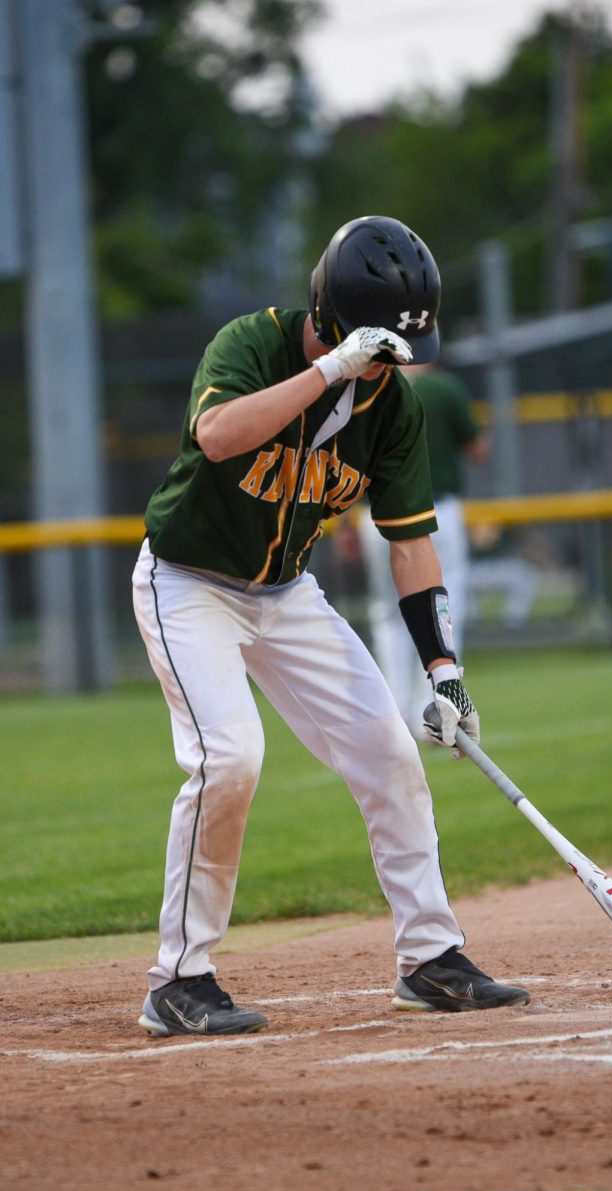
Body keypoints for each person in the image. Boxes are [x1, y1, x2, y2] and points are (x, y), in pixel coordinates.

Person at [132, 215, 530, 1037]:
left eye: (396, 348)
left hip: (285, 595)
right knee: (230, 756)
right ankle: (179, 979)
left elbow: (412, 543)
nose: (388, 364)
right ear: (332, 314)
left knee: (387, 753)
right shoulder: (251, 342)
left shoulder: (394, 406)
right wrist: (327, 371)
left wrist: (443, 669)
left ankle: (430, 959)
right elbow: (216, 436)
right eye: (376, 344)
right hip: (186, 585)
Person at [358, 363, 489, 734]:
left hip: (375, 514)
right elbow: (477, 449)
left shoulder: (365, 386)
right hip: (438, 511)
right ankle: (434, 710)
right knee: (444, 609)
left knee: (387, 615)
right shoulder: (444, 388)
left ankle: (394, 713)